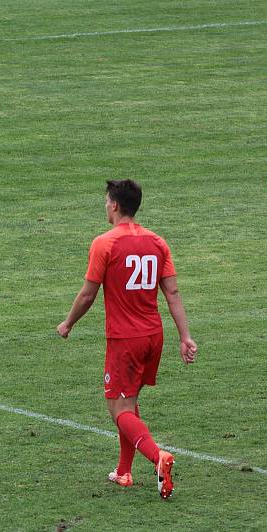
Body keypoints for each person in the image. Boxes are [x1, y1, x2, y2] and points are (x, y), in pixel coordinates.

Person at [56, 179, 197, 500]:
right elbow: (172, 292)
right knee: (130, 402)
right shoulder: (158, 242)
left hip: (125, 339)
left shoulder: (105, 243)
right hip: (153, 336)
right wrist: (185, 337)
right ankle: (123, 471)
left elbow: (89, 294)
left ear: (115, 205)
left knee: (118, 408)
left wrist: (68, 323)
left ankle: (157, 457)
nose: (105, 206)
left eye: (106, 201)